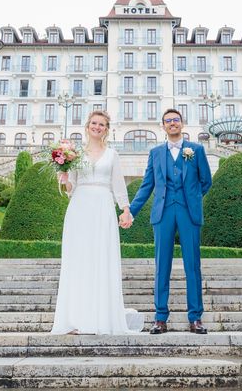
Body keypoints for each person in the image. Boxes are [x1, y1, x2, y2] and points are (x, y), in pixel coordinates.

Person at [51, 110, 143, 335]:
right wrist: (63, 179)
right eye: (94, 123)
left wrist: (125, 210)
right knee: (78, 260)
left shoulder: (112, 154)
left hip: (103, 207)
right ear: (87, 126)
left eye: (102, 124)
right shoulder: (74, 154)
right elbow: (71, 188)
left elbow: (118, 185)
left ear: (107, 129)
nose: (97, 127)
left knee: (101, 259)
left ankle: (101, 318)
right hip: (79, 208)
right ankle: (74, 318)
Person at [124, 108, 212, 334]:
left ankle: (195, 318)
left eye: (176, 120)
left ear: (182, 124)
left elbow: (206, 181)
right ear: (162, 126)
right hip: (162, 213)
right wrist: (131, 211)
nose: (172, 123)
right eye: (168, 121)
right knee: (161, 266)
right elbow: (146, 186)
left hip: (188, 213)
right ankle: (160, 318)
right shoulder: (155, 153)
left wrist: (191, 198)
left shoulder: (196, 150)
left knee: (192, 266)